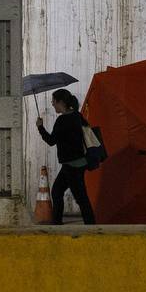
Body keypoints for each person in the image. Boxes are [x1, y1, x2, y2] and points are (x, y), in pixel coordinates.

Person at [36, 88, 96, 225]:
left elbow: (51, 141)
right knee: (57, 191)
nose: (52, 104)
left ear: (60, 102)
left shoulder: (62, 120)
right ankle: (57, 223)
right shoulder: (77, 116)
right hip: (77, 163)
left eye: (53, 101)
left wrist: (40, 127)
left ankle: (91, 226)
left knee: (80, 198)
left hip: (72, 165)